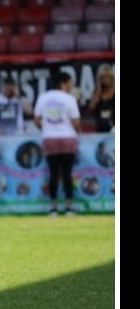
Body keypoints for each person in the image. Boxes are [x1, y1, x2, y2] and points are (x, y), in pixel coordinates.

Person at [34, 72, 81, 216]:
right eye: (70, 83)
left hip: (49, 139)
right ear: (63, 84)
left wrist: (47, 128)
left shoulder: (43, 97)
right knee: (67, 174)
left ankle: (53, 207)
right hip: (67, 138)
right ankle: (69, 207)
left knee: (53, 173)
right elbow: (76, 122)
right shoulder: (69, 99)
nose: (71, 86)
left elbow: (36, 119)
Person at [87, 64, 115, 133]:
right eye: (103, 78)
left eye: (108, 77)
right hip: (100, 126)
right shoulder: (97, 92)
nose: (106, 80)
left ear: (112, 79)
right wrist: (98, 92)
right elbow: (91, 107)